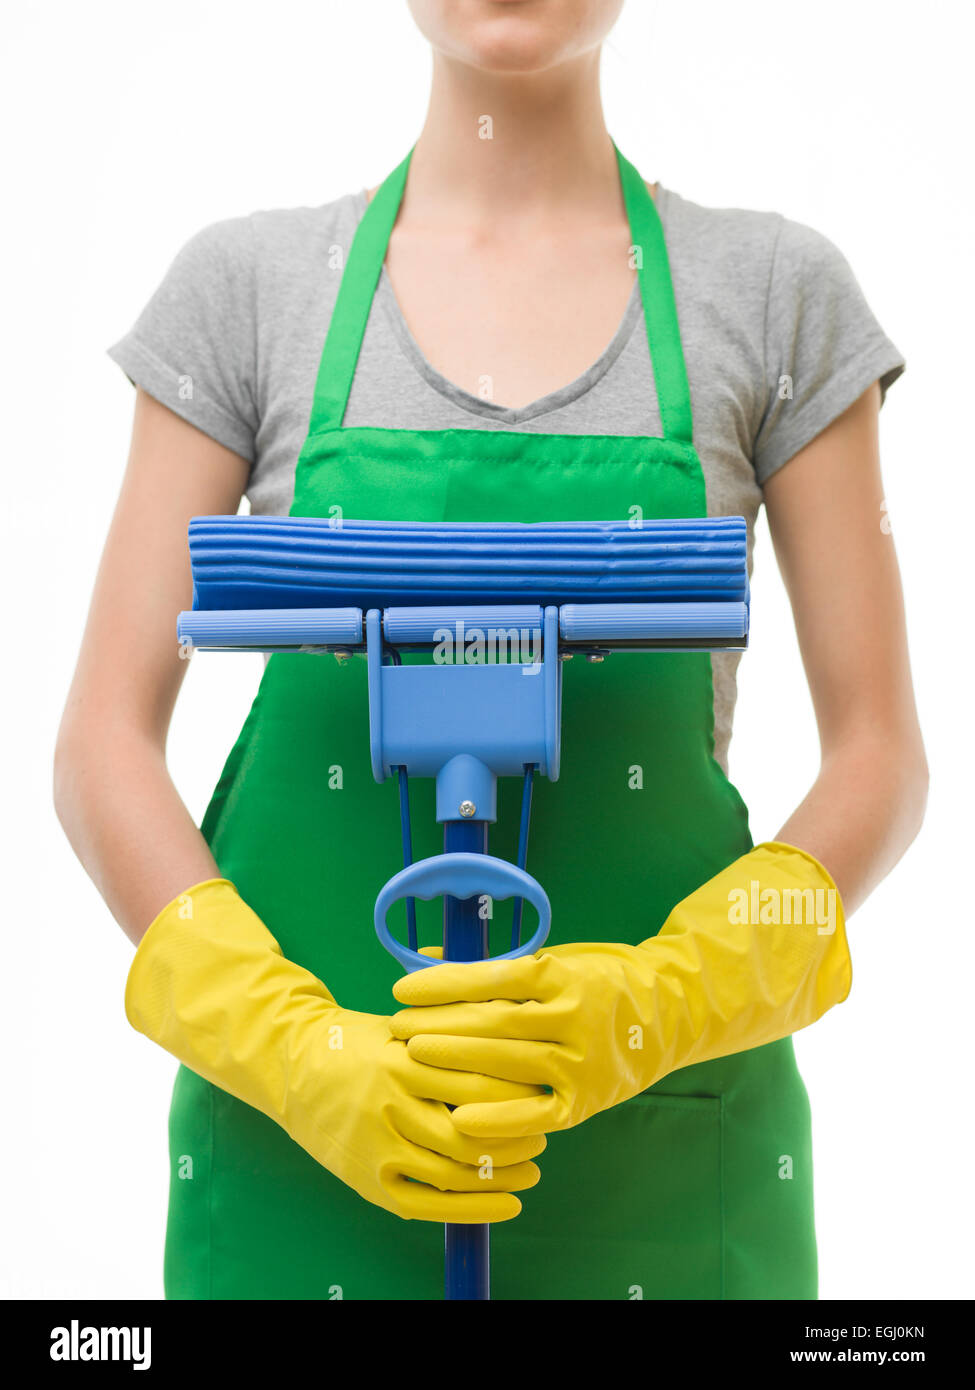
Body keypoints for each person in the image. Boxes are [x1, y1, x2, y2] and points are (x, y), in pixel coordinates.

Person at [54, 0, 927, 1300]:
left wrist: (662, 1002)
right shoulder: (247, 291)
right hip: (300, 1198)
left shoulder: (773, 294)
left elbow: (880, 759)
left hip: (670, 1198)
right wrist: (294, 1047)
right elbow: (100, 746)